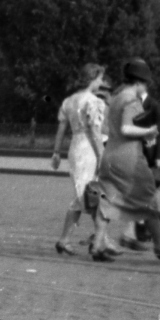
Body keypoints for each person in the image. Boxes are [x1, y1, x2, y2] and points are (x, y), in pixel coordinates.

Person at [90, 58, 160, 261]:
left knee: (107, 202)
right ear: (139, 83)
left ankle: (98, 244)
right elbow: (126, 128)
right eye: (145, 84)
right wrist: (148, 131)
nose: (145, 88)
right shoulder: (132, 99)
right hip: (129, 158)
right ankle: (159, 245)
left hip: (110, 155)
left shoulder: (115, 98)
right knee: (150, 199)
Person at [50, 63, 107, 255]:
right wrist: (101, 156)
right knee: (89, 196)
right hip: (88, 149)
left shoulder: (69, 101)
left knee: (83, 195)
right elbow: (95, 132)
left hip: (75, 147)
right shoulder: (93, 101)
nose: (101, 82)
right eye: (100, 78)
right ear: (93, 78)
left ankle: (65, 240)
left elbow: (61, 129)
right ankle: (101, 241)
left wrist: (56, 152)